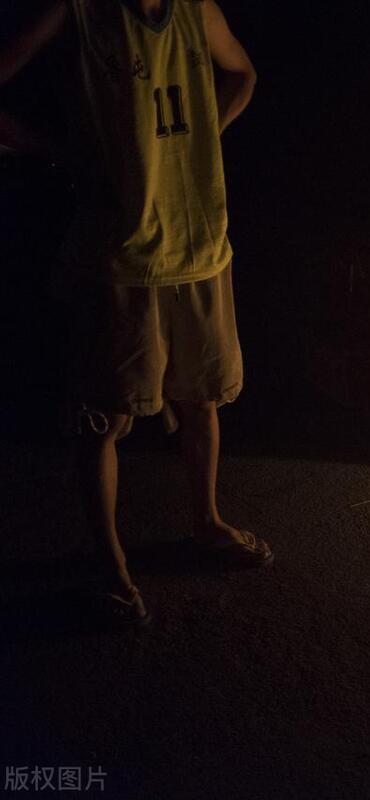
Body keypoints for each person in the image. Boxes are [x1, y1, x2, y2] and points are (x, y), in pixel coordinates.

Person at [0, 0, 271, 627]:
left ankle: (206, 521)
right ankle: (113, 570)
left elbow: (243, 73)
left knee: (201, 399)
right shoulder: (79, 11)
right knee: (103, 418)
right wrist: (50, 148)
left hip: (201, 244)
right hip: (120, 257)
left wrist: (205, 131)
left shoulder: (195, 9)